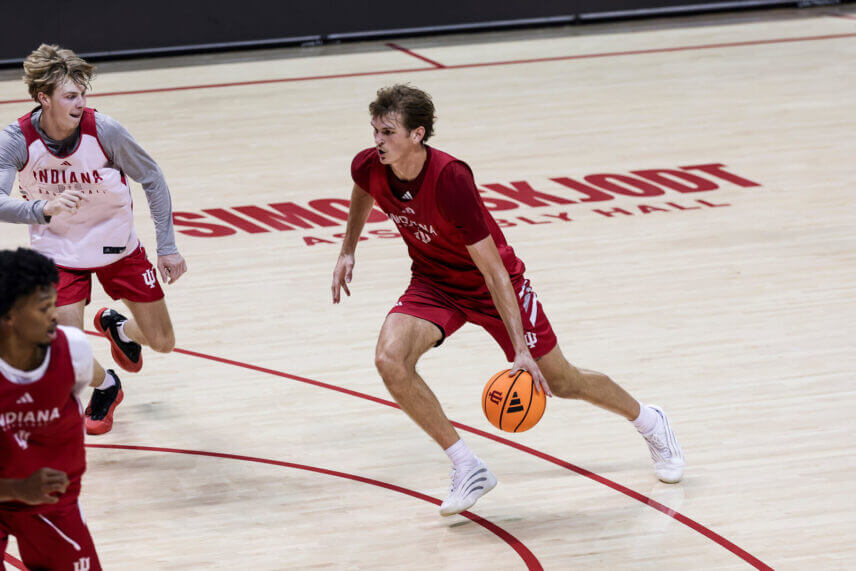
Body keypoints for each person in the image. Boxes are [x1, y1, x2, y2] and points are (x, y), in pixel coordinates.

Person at [332, 84, 685, 516]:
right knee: (390, 360)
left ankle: (650, 421)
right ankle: (468, 467)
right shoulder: (369, 165)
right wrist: (348, 249)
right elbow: (362, 190)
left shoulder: (451, 179)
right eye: (374, 130)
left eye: (387, 132)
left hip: (492, 285)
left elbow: (494, 270)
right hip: (434, 282)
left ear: (418, 134)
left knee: (560, 381)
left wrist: (520, 350)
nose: (377, 141)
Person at [0, 44, 187, 435]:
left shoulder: (105, 130)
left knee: (163, 341)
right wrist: (42, 210)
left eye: (83, 94)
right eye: (70, 96)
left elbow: (152, 177)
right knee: (67, 353)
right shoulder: (16, 139)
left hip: (116, 245)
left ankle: (119, 329)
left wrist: (167, 246)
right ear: (43, 98)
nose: (81, 103)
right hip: (59, 253)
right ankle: (106, 385)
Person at [0, 248, 102, 570]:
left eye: (54, 305)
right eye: (44, 308)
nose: (55, 316)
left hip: (52, 501)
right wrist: (17, 488)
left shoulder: (73, 350)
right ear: (9, 316)